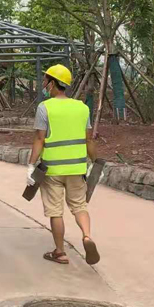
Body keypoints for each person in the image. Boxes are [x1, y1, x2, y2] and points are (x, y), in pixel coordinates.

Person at [26, 64, 100, 265]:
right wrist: (95, 162)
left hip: (53, 169)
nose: (44, 84)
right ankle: (87, 236)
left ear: (52, 83)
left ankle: (60, 252)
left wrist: (31, 165)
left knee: (55, 211)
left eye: (45, 80)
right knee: (79, 206)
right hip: (77, 168)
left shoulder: (45, 107)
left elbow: (39, 139)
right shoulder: (82, 108)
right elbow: (88, 140)